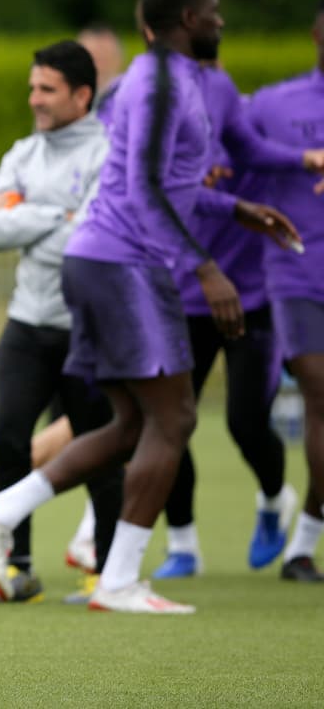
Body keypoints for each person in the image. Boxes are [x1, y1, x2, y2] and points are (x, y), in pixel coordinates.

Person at [0, 0, 302, 614]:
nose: (221, 20)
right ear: (189, 21)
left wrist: (236, 209)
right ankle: (114, 579)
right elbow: (143, 188)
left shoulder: (177, 83)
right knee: (172, 419)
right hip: (125, 264)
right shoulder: (164, 83)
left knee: (132, 424)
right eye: (214, 11)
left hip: (103, 260)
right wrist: (205, 267)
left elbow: (162, 183)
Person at [0, 41, 124, 605]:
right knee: (6, 439)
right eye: (32, 87)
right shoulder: (23, 152)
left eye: (47, 89)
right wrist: (59, 215)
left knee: (101, 450)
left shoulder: (108, 152)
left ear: (81, 95)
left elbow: (90, 237)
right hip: (27, 323)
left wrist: (32, 217)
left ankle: (109, 573)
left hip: (90, 328)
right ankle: (16, 568)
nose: (34, 98)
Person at [151, 50, 321, 579]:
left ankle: (275, 499)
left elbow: (275, 158)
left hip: (252, 297)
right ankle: (182, 544)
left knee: (247, 421)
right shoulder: (160, 140)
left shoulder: (253, 134)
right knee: (171, 423)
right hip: (181, 294)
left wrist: (304, 159)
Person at [245, 0, 324, 582]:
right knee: (320, 394)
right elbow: (226, 148)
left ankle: (304, 539)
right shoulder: (272, 104)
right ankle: (299, 547)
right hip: (297, 271)